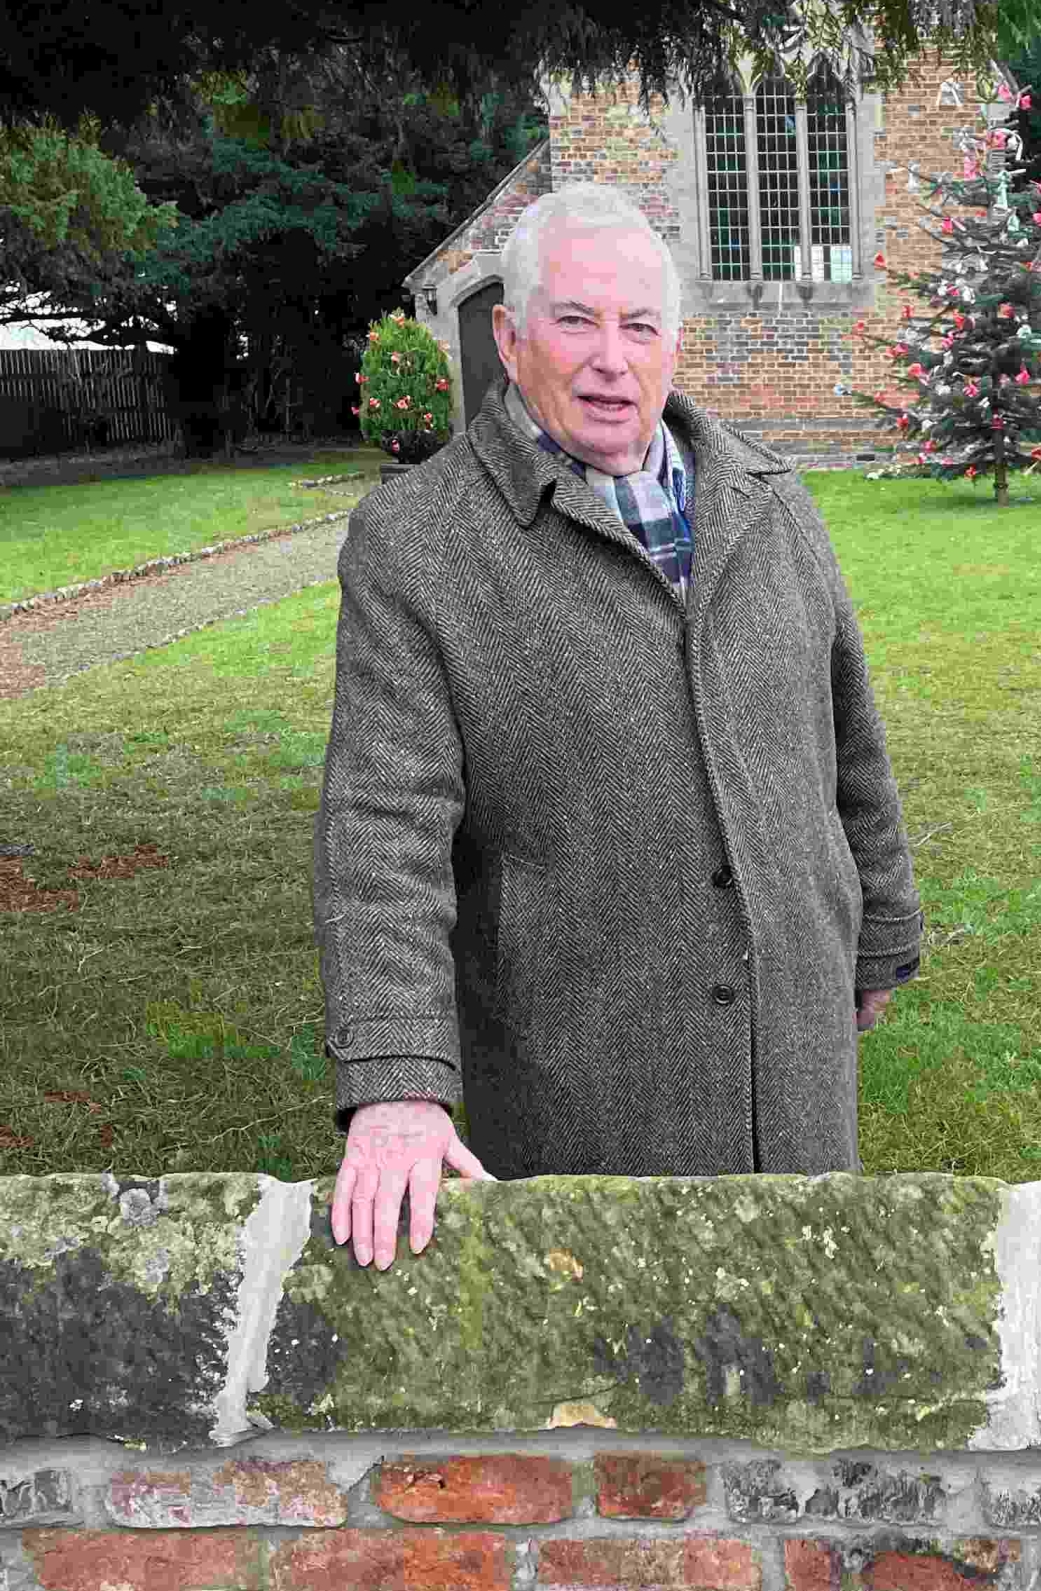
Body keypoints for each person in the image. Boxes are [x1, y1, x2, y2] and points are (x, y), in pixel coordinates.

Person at [316, 183, 924, 1267]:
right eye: (576, 321)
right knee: (610, 1399)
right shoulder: (416, 547)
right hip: (579, 1082)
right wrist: (400, 1083)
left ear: (674, 341)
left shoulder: (769, 500)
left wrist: (880, 929)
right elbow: (380, 828)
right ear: (509, 336)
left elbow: (849, 739)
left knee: (806, 1346)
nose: (612, 358)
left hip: (795, 1064)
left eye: (639, 326)